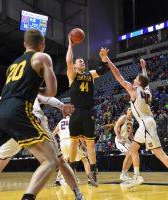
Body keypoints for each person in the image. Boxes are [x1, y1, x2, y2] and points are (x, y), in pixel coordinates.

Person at [0, 29, 70, 200]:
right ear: (42, 45)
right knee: (51, 160)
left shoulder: (13, 65)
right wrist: (37, 89)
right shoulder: (42, 57)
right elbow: (52, 91)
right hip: (18, 111)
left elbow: (6, 94)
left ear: (24, 45)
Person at [100, 48, 168, 192]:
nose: (133, 80)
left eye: (136, 79)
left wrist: (107, 59)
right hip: (145, 124)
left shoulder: (134, 90)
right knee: (133, 149)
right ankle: (137, 176)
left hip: (146, 124)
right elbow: (146, 82)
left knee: (158, 153)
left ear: (138, 83)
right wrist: (144, 68)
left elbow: (118, 76)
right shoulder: (147, 91)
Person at [0, 95, 85, 199]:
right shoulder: (30, 87)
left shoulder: (8, 94)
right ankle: (78, 195)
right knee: (58, 161)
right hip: (33, 122)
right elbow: (47, 99)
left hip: (14, 123)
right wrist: (61, 105)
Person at [66, 35, 109, 184]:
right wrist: (70, 46)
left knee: (90, 143)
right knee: (73, 142)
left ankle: (93, 172)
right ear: (75, 65)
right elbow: (68, 61)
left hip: (88, 111)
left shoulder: (90, 74)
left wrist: (104, 57)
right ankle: (71, 169)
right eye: (79, 61)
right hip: (75, 111)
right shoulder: (72, 75)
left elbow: (104, 69)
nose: (82, 62)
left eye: (83, 61)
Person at [52, 116, 96, 186]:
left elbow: (53, 134)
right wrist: (83, 144)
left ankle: (58, 179)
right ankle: (90, 179)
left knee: (64, 161)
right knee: (84, 159)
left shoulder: (60, 122)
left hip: (62, 142)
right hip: (71, 141)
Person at [113, 107, 134, 181]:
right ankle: (122, 174)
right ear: (127, 111)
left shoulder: (132, 120)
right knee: (128, 154)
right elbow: (115, 128)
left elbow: (130, 133)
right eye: (129, 109)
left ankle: (125, 173)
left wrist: (134, 140)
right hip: (120, 138)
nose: (131, 111)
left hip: (126, 140)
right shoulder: (123, 117)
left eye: (132, 109)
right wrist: (119, 138)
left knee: (132, 156)